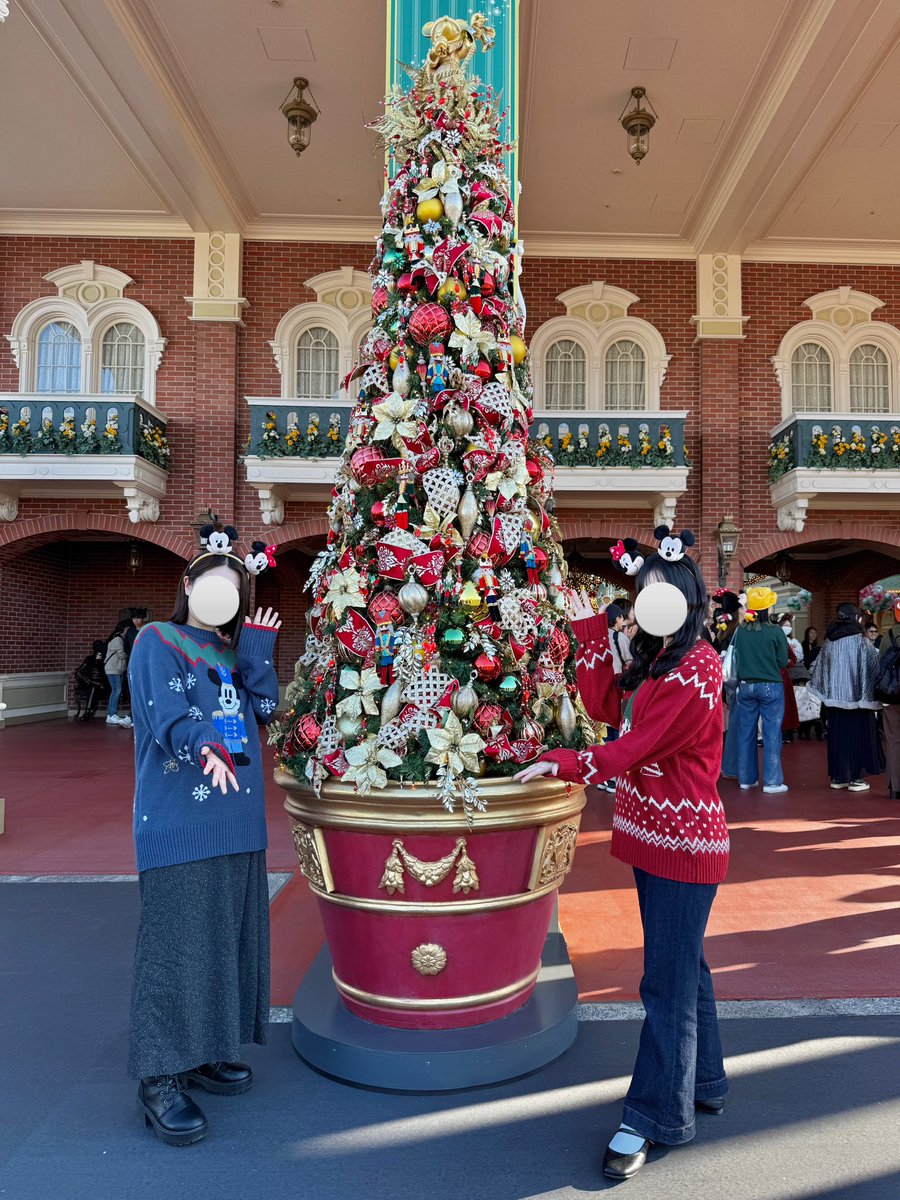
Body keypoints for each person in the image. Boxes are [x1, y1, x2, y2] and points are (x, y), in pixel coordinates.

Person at [515, 532, 729, 1182]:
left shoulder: (697, 668)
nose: (648, 604)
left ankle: (653, 1118)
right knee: (684, 966)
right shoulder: (658, 658)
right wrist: (587, 632)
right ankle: (707, 1080)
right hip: (655, 837)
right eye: (643, 594)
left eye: (661, 593)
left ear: (687, 600)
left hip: (684, 842)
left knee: (665, 982)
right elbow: (604, 706)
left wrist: (565, 762)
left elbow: (632, 747)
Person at [127, 534, 281, 1146]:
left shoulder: (226, 650)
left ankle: (207, 1049)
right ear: (187, 586)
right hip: (180, 822)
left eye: (235, 586)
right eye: (213, 581)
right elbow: (169, 718)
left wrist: (258, 653)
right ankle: (159, 1077)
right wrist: (203, 746)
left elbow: (262, 709)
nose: (224, 593)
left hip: (239, 820)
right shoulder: (155, 642)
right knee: (176, 946)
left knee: (225, 940)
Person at [809, 603, 883, 792]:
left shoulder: (829, 642)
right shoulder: (862, 642)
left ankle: (839, 777)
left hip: (834, 702)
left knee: (838, 737)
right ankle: (856, 779)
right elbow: (875, 669)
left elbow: (819, 670)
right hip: (859, 702)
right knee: (858, 738)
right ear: (856, 619)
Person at [730, 587, 789, 793]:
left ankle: (746, 779)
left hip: (745, 687)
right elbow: (782, 661)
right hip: (770, 685)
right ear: (767, 607)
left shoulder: (741, 631)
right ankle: (772, 782)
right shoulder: (775, 631)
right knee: (772, 733)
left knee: (746, 732)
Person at [878, 598, 900, 799]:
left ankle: (895, 786)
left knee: (893, 740)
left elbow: (881, 664)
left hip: (892, 695)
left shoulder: (888, 636)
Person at [104, 619, 133, 728]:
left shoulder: (119, 639)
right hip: (113, 669)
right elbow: (122, 655)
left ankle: (111, 715)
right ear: (125, 628)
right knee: (116, 691)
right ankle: (112, 714)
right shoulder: (118, 639)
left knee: (116, 691)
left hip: (116, 669)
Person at [73, 639, 109, 720]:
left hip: (102, 685)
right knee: (92, 686)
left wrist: (99, 662)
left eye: (99, 647)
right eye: (96, 647)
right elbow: (79, 671)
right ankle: (87, 712)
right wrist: (91, 681)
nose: (98, 649)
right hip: (91, 683)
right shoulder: (89, 659)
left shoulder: (105, 659)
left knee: (93, 687)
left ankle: (87, 712)